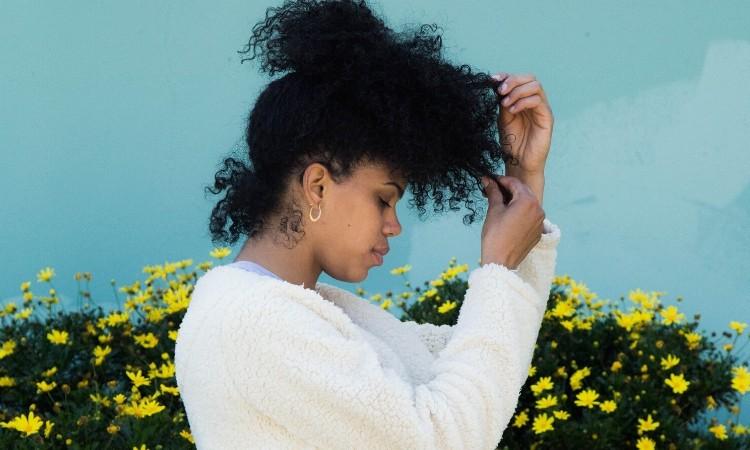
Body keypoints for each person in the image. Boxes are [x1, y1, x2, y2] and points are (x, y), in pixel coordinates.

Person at [174, 0, 561, 448]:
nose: (394, 226)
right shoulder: (254, 323)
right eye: (384, 199)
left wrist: (523, 181)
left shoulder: (304, 312)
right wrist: (496, 267)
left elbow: (481, 359)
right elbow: (443, 436)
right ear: (317, 186)